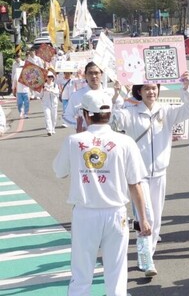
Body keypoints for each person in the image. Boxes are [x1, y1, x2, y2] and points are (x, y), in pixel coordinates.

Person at [53, 89, 151, 296]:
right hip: (117, 214)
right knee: (116, 274)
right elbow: (135, 184)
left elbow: (59, 171)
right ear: (110, 113)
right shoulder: (125, 142)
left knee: (81, 274)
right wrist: (143, 219)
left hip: (85, 214)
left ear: (87, 115)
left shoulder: (74, 141)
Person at [111, 72, 189, 276]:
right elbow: (114, 122)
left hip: (159, 173)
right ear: (139, 92)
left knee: (156, 219)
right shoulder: (131, 112)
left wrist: (187, 88)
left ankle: (149, 252)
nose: (151, 91)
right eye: (146, 88)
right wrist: (115, 97)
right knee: (144, 216)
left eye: (154, 88)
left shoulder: (165, 111)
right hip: (137, 177)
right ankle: (145, 259)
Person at [63, 62, 120, 132]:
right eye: (90, 73)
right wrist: (79, 125)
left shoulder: (110, 93)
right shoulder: (77, 95)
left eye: (96, 73)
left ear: (101, 74)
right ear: (85, 75)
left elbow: (118, 114)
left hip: (107, 136)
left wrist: (117, 96)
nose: (93, 76)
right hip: (85, 137)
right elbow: (66, 116)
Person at [41, 71, 60, 136]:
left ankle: (53, 128)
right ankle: (49, 130)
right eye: (49, 77)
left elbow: (57, 93)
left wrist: (50, 90)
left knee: (54, 117)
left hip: (54, 104)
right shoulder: (43, 86)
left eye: (51, 77)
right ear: (46, 78)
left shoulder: (55, 85)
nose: (50, 78)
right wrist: (41, 92)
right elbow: (40, 95)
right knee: (47, 116)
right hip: (46, 104)